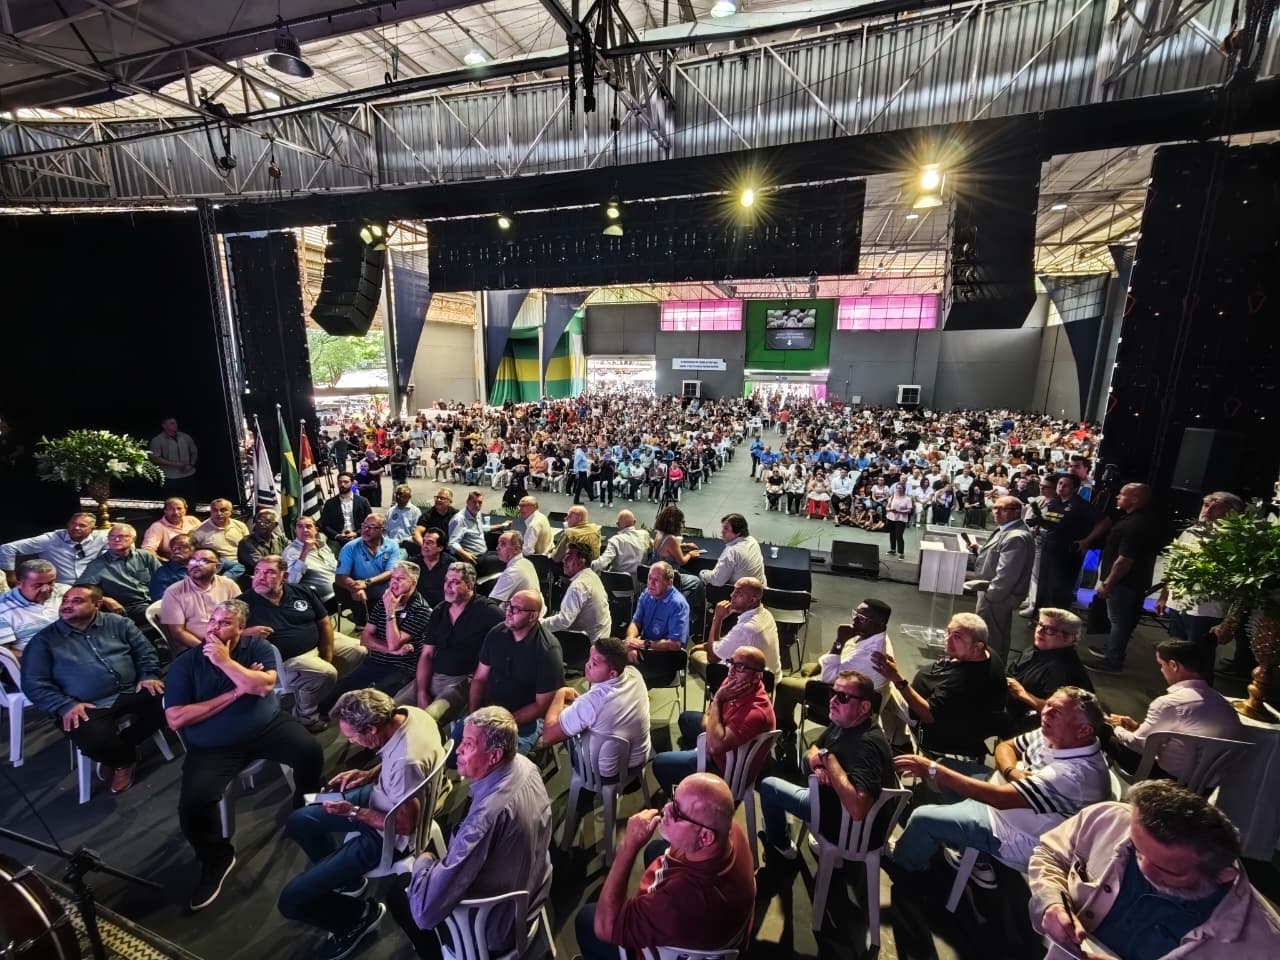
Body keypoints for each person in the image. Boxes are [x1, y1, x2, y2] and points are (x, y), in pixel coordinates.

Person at [164, 599, 324, 911]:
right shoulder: (186, 663)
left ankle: (304, 805)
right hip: (213, 745)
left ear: (240, 627)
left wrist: (226, 663)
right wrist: (237, 689)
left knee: (310, 751)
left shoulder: (258, 649)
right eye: (212, 621)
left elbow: (264, 687)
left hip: (266, 726)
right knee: (193, 806)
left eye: (224, 623)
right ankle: (217, 858)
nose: (214, 628)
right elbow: (176, 718)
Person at [279, 688, 443, 960]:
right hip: (380, 795)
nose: (350, 741)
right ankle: (348, 879)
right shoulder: (410, 714)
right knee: (302, 813)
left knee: (290, 901)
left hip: (386, 835)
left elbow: (404, 826)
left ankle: (358, 918)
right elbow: (397, 761)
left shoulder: (406, 762)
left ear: (371, 729)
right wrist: (368, 774)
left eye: (353, 736)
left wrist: (352, 811)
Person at [1030, 780, 1280, 958]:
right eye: (1136, 849)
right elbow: (1051, 854)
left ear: (1224, 874)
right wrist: (1050, 901)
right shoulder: (1109, 818)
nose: (1143, 869)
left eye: (1169, 871)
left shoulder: (1266, 945)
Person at [890, 687, 1110, 888]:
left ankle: (907, 866)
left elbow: (998, 799)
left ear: (1083, 730)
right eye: (1048, 705)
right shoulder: (1056, 734)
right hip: (1003, 799)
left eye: (1057, 712)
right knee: (947, 768)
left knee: (922, 817)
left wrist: (931, 770)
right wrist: (1012, 773)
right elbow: (1007, 746)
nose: (1046, 713)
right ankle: (976, 857)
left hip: (1016, 834)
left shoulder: (1074, 776)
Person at [394, 707, 553, 959]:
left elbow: (424, 914)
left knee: (398, 895)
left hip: (494, 928)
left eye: (468, 744)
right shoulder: (526, 765)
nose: (457, 750)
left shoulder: (485, 819)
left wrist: (424, 859)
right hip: (533, 886)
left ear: (494, 755)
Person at [574, 772, 755, 960]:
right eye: (673, 798)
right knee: (654, 848)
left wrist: (628, 846)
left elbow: (605, 928)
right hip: (723, 930)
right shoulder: (732, 830)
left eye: (677, 812)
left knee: (586, 920)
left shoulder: (678, 901)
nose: (665, 809)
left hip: (670, 941)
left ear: (705, 837)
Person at [20, 584, 165, 794]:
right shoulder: (43, 641)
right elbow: (33, 683)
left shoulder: (118, 623)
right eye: (65, 600)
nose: (67, 605)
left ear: (96, 605)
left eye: (76, 601)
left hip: (130, 689)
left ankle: (122, 747)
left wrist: (149, 675)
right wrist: (65, 705)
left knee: (173, 702)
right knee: (94, 740)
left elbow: (145, 653)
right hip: (84, 703)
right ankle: (125, 760)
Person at [758, 669, 895, 860]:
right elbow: (815, 748)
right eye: (832, 693)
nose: (832, 701)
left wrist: (828, 759)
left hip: (851, 830)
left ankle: (781, 845)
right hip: (839, 805)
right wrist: (820, 762)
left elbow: (857, 810)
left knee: (768, 787)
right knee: (808, 761)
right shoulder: (846, 721)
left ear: (864, 707)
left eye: (842, 697)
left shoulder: (866, 746)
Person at [871, 613, 1007, 779]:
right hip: (959, 721)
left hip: (938, 731)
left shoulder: (964, 682)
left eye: (956, 637)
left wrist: (898, 679)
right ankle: (900, 740)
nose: (947, 639)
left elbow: (929, 715)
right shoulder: (986, 654)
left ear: (977, 647)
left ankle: (881, 751)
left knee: (884, 689)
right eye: (948, 632)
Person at [242, 556, 367, 732]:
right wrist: (244, 633)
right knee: (324, 672)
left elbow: (324, 622)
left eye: (269, 572)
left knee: (358, 650)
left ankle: (321, 691)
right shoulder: (242, 604)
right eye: (257, 572)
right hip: (286, 660)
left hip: (316, 643)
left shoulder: (301, 591)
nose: (261, 577)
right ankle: (305, 716)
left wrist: (327, 655)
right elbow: (219, 637)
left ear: (284, 577)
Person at [1103, 640, 1243, 778]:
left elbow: (1139, 744)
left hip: (1171, 777)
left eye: (1162, 665)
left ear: (1173, 665)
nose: (1161, 670)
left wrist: (1116, 727)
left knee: (1102, 730)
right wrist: (1137, 727)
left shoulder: (1170, 704)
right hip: (1208, 780)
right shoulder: (1222, 701)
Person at [652, 646, 774, 796]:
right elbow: (707, 718)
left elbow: (715, 747)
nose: (731, 670)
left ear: (757, 676)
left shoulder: (756, 712)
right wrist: (714, 716)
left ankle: (682, 806)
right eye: (731, 662)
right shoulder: (732, 682)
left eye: (740, 666)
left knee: (659, 763)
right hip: (720, 743)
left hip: (727, 768)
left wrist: (718, 700)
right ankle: (692, 780)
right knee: (686, 719)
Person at [459, 589, 565, 756]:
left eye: (516, 609)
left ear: (533, 616)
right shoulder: (496, 633)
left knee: (498, 762)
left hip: (524, 721)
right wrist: (475, 715)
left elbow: (541, 705)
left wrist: (500, 722)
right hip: (488, 713)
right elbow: (479, 678)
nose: (508, 612)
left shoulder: (547, 650)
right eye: (509, 606)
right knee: (456, 751)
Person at [774, 599, 893, 743]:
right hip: (850, 687)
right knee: (808, 669)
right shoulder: (874, 634)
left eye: (861, 618)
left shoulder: (871, 656)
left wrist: (839, 642)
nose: (854, 619)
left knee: (783, 685)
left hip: (845, 699)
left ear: (880, 624)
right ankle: (801, 694)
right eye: (855, 613)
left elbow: (828, 677)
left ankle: (785, 728)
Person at [1156, 491, 1246, 680]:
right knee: (1176, 655)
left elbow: (1242, 586)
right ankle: (1178, 693)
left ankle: (1199, 700)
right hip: (1178, 603)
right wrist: (1164, 596)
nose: (1208, 510)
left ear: (1232, 513)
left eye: (1216, 507)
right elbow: (1173, 566)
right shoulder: (1189, 532)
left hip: (1206, 610)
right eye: (1206, 505)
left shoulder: (1236, 540)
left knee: (1198, 661)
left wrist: (1230, 621)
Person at [541, 636, 652, 776]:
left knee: (562, 715)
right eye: (589, 658)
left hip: (607, 773)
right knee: (573, 713)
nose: (587, 665)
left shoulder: (591, 702)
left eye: (594, 663)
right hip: (639, 759)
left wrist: (560, 693)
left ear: (612, 673)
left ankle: (584, 791)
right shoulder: (635, 674)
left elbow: (548, 736)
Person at [330, 562, 432, 706]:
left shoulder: (420, 609)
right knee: (339, 692)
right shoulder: (385, 599)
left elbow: (394, 643)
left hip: (401, 667)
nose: (394, 583)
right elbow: (365, 639)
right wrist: (394, 651)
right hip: (376, 660)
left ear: (413, 582)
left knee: (371, 703)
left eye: (400, 579)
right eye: (393, 578)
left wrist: (390, 611)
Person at [1086, 483, 1163, 673]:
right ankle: (1113, 650)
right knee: (1121, 621)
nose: (1118, 497)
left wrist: (1108, 583)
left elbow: (1124, 560)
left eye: (1122, 494)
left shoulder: (1135, 524)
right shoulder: (1139, 519)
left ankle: (1113, 660)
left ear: (1135, 498)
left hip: (1124, 582)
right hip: (1131, 581)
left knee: (1119, 621)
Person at [965, 495, 1035, 662]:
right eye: (994, 508)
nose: (996, 512)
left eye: (1002, 509)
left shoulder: (1015, 536)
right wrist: (981, 549)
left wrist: (992, 595)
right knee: (993, 634)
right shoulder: (1006, 530)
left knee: (992, 637)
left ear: (1017, 512)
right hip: (993, 593)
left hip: (997, 596)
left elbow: (1007, 573)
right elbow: (1000, 554)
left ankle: (989, 670)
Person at [1005, 607, 1093, 734]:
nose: (1040, 631)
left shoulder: (1061, 670)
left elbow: (1057, 711)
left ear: (1069, 638)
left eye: (1050, 630)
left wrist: (1022, 694)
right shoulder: (1037, 649)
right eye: (1040, 624)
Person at [692, 576, 780, 678]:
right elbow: (735, 642)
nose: (732, 595)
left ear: (752, 600)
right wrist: (708, 646)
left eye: (738, 593)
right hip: (771, 679)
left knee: (696, 653)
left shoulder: (747, 629)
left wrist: (717, 618)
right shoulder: (766, 614)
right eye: (734, 591)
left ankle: (715, 689)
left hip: (752, 685)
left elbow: (712, 658)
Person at [158, 547, 242, 653]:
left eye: (204, 561)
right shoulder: (174, 592)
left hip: (230, 644)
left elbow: (241, 618)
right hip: (194, 649)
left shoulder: (229, 585)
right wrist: (208, 650)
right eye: (192, 560)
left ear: (217, 567)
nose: (196, 564)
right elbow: (177, 632)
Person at [1034, 474, 1097, 612]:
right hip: (1049, 547)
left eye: (1066, 485)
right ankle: (1039, 616)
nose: (1061, 487)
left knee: (1060, 588)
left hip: (1066, 552)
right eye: (1060, 483)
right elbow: (1053, 524)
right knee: (1044, 585)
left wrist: (1086, 541)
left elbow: (1098, 524)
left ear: (1074, 488)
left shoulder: (1082, 506)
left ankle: (1058, 621)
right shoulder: (1054, 502)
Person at [79, 523, 163, 626]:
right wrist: (105, 599)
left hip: (155, 601)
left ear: (133, 539)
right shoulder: (97, 565)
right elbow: (81, 590)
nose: (116, 540)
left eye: (121, 536)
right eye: (112, 537)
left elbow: (163, 578)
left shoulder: (145, 556)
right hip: (128, 607)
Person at [625, 562, 691, 681]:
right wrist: (631, 645)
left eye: (657, 580)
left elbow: (674, 645)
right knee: (611, 659)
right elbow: (635, 622)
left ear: (669, 583)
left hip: (665, 658)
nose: (651, 583)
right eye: (650, 578)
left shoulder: (678, 605)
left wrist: (643, 644)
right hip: (644, 650)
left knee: (626, 674)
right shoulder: (646, 594)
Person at [0, 512, 105, 586]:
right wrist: (11, 577)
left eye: (82, 525)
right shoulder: (50, 539)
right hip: (59, 587)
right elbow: (7, 548)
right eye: (73, 524)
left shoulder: (100, 538)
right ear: (68, 524)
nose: (76, 528)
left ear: (92, 529)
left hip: (90, 585)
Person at [334, 514, 403, 626]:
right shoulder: (350, 547)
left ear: (383, 530)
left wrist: (367, 583)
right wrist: (355, 588)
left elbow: (391, 572)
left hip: (388, 595)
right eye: (364, 525)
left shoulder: (392, 545)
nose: (366, 530)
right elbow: (340, 577)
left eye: (372, 527)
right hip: (363, 598)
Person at [541, 541, 611, 642]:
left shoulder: (578, 586)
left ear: (582, 561)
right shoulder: (592, 576)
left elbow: (564, 621)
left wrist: (538, 625)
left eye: (569, 557)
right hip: (601, 636)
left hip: (588, 644)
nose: (563, 560)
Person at [0, 559, 68, 659]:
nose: (46, 589)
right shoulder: (3, 609)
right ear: (19, 584)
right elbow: (5, 653)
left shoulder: (66, 592)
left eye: (51, 583)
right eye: (38, 585)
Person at [282, 515, 340, 604]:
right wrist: (304, 552)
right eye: (300, 527)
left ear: (316, 529)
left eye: (308, 526)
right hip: (323, 600)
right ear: (295, 531)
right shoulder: (291, 552)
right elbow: (291, 581)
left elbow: (334, 567)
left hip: (341, 591)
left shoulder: (322, 544)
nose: (305, 530)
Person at [699, 513, 767, 588]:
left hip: (741, 594)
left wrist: (703, 574)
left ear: (738, 532)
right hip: (760, 590)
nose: (722, 532)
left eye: (726, 529)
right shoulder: (753, 540)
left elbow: (717, 580)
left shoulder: (732, 552)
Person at [446, 490, 501, 576]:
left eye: (480, 502)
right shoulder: (459, 519)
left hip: (484, 553)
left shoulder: (476, 513)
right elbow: (452, 543)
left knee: (507, 554)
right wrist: (465, 554)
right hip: (474, 559)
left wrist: (499, 526)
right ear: (467, 502)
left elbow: (480, 528)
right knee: (505, 559)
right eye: (474, 502)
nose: (477, 505)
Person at [191, 500, 250, 576]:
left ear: (230, 511)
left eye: (223, 510)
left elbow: (248, 547)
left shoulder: (240, 526)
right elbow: (193, 553)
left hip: (241, 564)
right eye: (215, 510)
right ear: (211, 512)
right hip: (217, 565)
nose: (219, 513)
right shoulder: (199, 530)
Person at [591, 509, 650, 577]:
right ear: (634, 522)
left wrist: (586, 566)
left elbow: (602, 562)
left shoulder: (616, 540)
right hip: (639, 582)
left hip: (617, 582)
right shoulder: (645, 534)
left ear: (617, 524)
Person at [488, 530, 542, 604]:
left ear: (516, 549)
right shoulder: (527, 562)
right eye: (498, 544)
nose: (497, 548)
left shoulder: (511, 573)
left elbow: (491, 603)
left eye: (503, 544)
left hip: (525, 613)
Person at [320, 474, 372, 548]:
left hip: (359, 536)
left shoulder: (363, 501)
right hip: (337, 539)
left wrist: (356, 533)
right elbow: (325, 525)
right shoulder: (330, 503)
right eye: (340, 482)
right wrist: (337, 535)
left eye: (346, 482)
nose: (342, 484)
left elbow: (370, 522)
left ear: (352, 483)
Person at [149, 416, 198, 494]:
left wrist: (191, 465)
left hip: (188, 474)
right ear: (164, 426)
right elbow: (154, 458)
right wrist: (176, 464)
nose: (175, 425)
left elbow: (194, 452)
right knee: (173, 501)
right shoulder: (157, 440)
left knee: (190, 500)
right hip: (170, 477)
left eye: (176, 423)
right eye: (172, 423)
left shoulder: (185, 436)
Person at [236, 509, 288, 581]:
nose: (261, 524)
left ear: (275, 525)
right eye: (259, 521)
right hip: (255, 579)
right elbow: (262, 564)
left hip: (278, 575)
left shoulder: (280, 538)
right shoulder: (246, 542)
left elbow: (291, 554)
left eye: (266, 522)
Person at [413, 528, 453, 608]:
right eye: (424, 542)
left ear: (440, 547)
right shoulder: (413, 564)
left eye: (430, 543)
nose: (424, 546)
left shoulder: (451, 565)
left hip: (444, 609)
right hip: (418, 609)